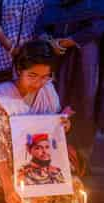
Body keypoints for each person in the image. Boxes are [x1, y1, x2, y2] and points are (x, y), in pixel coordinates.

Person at [0, 40, 84, 203]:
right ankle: (2, 188)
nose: (38, 84)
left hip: (43, 159)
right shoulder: (3, 98)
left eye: (45, 77)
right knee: (22, 199)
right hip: (10, 161)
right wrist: (7, 187)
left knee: (75, 189)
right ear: (20, 70)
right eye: (32, 76)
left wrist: (64, 124)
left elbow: (54, 129)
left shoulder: (48, 92)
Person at [35, 0, 104, 165]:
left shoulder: (95, 3)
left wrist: (64, 42)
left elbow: (97, 27)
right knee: (55, 102)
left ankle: (77, 160)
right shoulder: (53, 3)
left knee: (84, 105)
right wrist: (49, 41)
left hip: (85, 61)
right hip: (56, 60)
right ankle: (53, 159)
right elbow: (41, 25)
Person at [0, 0, 44, 83]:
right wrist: (11, 48)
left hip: (32, 54)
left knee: (30, 92)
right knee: (3, 91)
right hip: (4, 53)